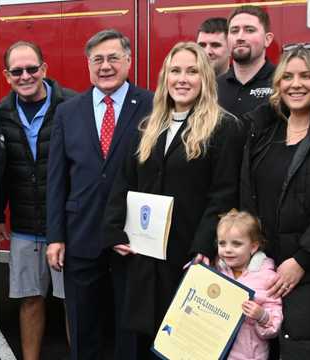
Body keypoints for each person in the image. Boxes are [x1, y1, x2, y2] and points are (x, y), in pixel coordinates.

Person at [101, 42, 246, 359]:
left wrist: (203, 246)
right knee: (146, 343)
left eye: (192, 71)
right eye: (175, 71)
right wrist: (114, 231)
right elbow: (124, 183)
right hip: (144, 258)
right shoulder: (147, 127)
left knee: (182, 348)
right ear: (165, 77)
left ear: (205, 78)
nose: (183, 79)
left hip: (188, 259)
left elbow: (223, 195)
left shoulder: (223, 128)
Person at [240, 42, 310, 359]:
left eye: (306, 76)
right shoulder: (262, 131)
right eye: (287, 76)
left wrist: (302, 260)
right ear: (277, 84)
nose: (296, 84)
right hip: (268, 272)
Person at [47, 29, 153, 360]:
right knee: (83, 326)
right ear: (88, 64)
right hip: (81, 235)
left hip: (131, 237)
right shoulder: (68, 111)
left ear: (128, 61)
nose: (105, 66)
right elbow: (57, 179)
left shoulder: (151, 104)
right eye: (98, 60)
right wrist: (55, 236)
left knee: (130, 328)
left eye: (113, 58)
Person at [0, 40, 76, 360]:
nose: (25, 76)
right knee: (29, 300)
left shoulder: (72, 106)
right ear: (6, 76)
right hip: (25, 227)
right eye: (17, 71)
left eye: (32, 69)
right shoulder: (0, 113)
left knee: (74, 301)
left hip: (67, 226)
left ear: (44, 69)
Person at [215, 209, 282, 360]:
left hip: (249, 356)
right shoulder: (216, 273)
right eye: (222, 243)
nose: (228, 250)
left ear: (253, 246)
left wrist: (262, 316)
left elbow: (275, 325)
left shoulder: (267, 277)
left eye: (236, 244)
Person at [217, 5, 275, 120]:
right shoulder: (213, 88)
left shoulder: (283, 82)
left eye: (249, 30)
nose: (240, 37)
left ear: (267, 39)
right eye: (234, 31)